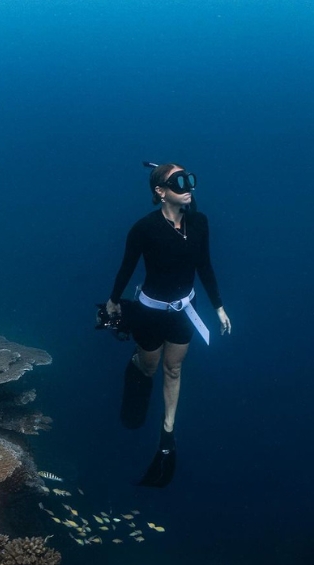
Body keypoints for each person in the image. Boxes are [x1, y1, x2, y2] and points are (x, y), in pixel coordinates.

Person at [106, 163, 231, 487]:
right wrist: (113, 301)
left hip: (183, 311)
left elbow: (205, 266)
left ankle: (167, 434)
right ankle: (135, 363)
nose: (187, 186)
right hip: (149, 312)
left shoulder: (200, 222)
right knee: (150, 367)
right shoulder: (144, 229)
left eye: (189, 179)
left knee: (173, 370)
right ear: (160, 192)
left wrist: (218, 308)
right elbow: (126, 267)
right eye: (178, 182)